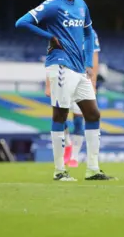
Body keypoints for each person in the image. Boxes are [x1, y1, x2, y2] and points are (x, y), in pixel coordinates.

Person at [16, 0, 114, 182]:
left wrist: (88, 62)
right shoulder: (53, 4)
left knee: (93, 114)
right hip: (60, 66)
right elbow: (22, 22)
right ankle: (60, 171)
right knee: (60, 115)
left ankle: (93, 169)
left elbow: (88, 33)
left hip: (79, 69)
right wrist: (49, 36)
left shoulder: (81, 5)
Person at [44, 29, 101, 168]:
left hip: (82, 79)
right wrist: (48, 83)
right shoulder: (59, 30)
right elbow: (51, 58)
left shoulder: (90, 32)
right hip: (62, 78)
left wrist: (93, 83)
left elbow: (94, 58)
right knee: (60, 116)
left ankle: (74, 156)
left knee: (78, 120)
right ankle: (68, 144)